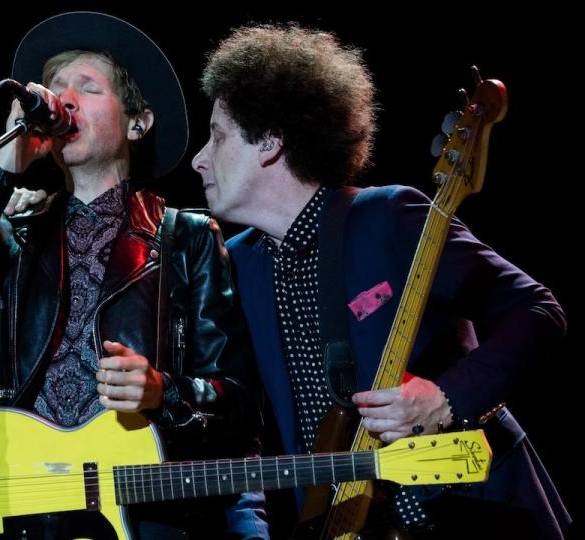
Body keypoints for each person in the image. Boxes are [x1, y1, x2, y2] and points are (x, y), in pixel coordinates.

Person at [190, 23, 571, 538]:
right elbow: (240, 429)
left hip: (471, 507)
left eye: (217, 136)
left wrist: (445, 396)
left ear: (271, 142)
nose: (198, 158)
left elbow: (537, 311)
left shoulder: (388, 216)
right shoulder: (235, 264)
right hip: (346, 523)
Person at [0, 11, 268, 539]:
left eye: (88, 87)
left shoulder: (187, 237)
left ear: (136, 122)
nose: (65, 99)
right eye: (56, 87)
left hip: (138, 511)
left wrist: (162, 391)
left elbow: (238, 403)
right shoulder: (15, 229)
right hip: (23, 508)